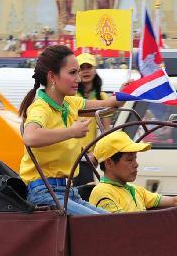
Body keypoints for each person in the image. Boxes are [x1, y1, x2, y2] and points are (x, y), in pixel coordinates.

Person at [18, 45, 120, 215]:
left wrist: (127, 93)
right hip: (44, 193)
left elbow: (106, 107)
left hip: (67, 191)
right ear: (52, 76)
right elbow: (30, 136)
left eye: (79, 72)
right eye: (73, 73)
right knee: (102, 223)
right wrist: (71, 132)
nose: (78, 79)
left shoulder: (70, 103)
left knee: (111, 220)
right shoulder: (40, 108)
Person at [90, 130, 177, 213]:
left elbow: (175, 201)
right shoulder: (103, 192)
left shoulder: (136, 190)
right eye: (129, 160)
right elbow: (122, 228)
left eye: (135, 158)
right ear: (109, 163)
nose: (136, 164)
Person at [74, 53, 108, 186]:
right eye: (82, 68)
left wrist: (96, 153)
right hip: (68, 155)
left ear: (95, 70)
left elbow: (106, 131)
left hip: (87, 158)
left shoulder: (102, 97)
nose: (86, 71)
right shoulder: (70, 95)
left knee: (84, 195)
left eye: (89, 67)